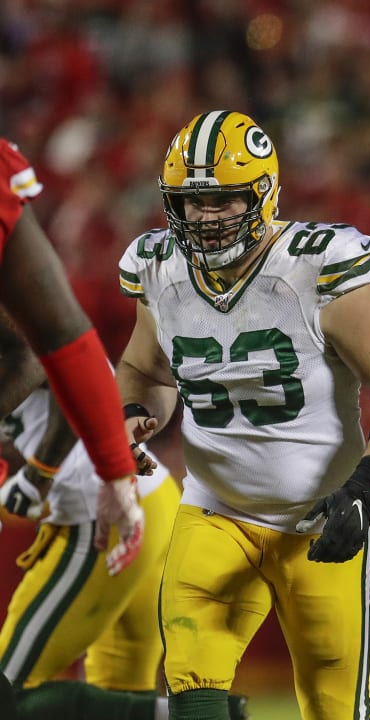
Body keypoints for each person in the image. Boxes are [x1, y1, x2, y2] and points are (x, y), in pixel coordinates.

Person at [116, 110, 370, 720]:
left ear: (262, 194)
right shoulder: (159, 269)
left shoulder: (314, 266)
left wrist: (364, 489)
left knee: (334, 707)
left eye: (225, 200)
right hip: (214, 511)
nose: (206, 217)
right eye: (192, 201)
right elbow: (145, 371)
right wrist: (135, 412)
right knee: (192, 688)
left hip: (317, 522)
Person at [0, 356, 247, 719]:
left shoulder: (20, 324)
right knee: (118, 692)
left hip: (100, 518)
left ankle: (184, 714)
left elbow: (63, 367)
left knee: (8, 693)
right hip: (150, 499)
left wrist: (40, 472)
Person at [0, 137, 144, 720]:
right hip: (108, 498)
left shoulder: (16, 332)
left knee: (14, 687)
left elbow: (53, 351)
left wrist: (37, 475)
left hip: (94, 510)